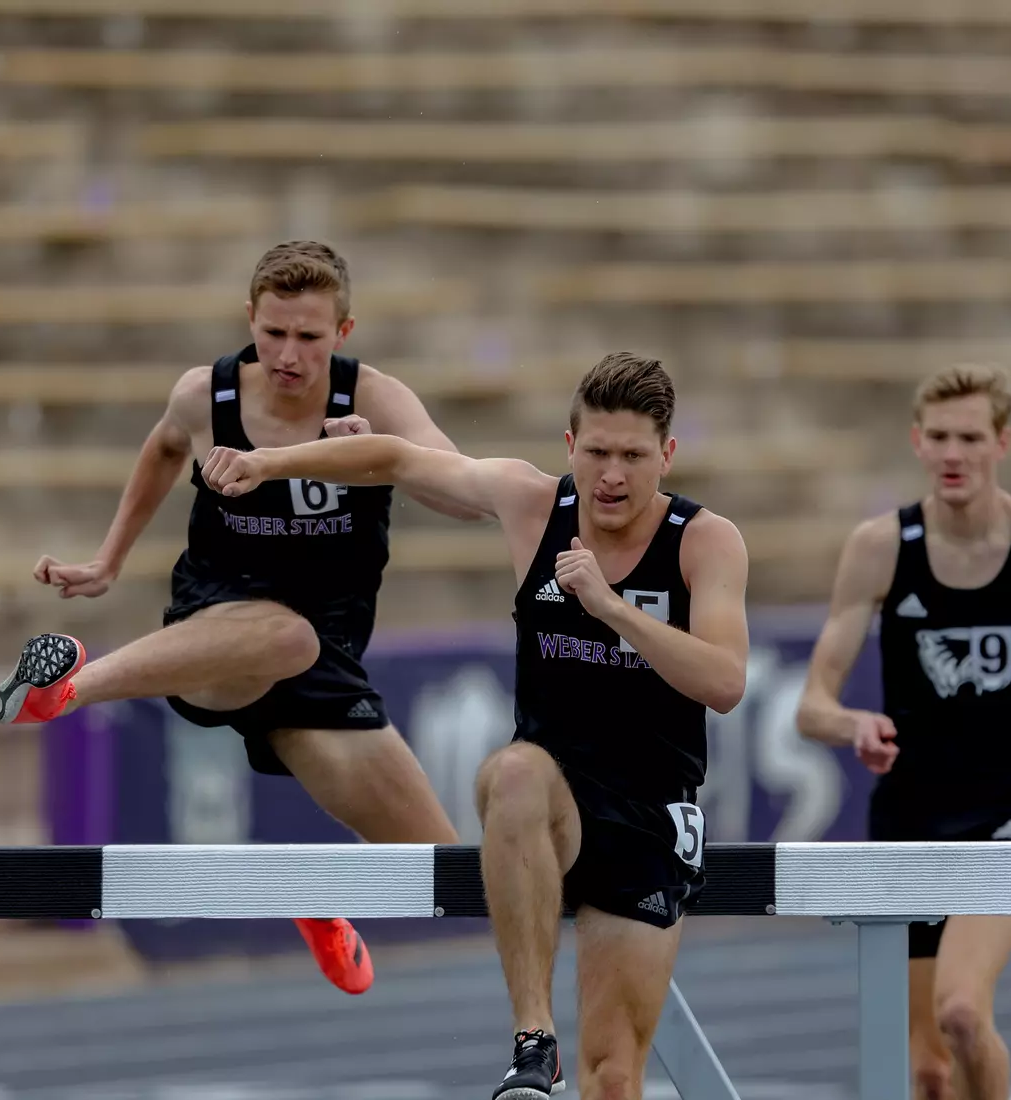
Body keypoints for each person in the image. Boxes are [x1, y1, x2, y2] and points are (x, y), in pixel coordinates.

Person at [200, 352, 750, 1100]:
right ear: (570, 446)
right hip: (552, 797)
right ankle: (533, 1040)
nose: (612, 476)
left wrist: (611, 609)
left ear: (668, 455)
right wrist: (267, 462)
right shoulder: (532, 504)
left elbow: (724, 682)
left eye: (632, 456)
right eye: (596, 453)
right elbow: (399, 458)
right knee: (514, 771)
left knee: (615, 1077)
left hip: (650, 812)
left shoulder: (703, 540)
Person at [0, 240, 476, 996]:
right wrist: (109, 559)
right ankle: (68, 686)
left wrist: (385, 455)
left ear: (343, 332)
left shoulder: (375, 401)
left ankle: (322, 897)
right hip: (221, 630)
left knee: (453, 876)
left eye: (309, 337)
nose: (288, 355)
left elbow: (463, 491)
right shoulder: (204, 396)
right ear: (250, 318)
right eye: (273, 332)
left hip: (325, 664)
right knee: (283, 634)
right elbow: (164, 448)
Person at [794, 364, 1011, 1100]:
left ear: (1001, 443)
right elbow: (811, 706)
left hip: (1001, 815)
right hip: (906, 817)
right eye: (940, 438)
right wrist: (853, 724)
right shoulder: (880, 548)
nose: (953, 454)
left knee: (960, 1011)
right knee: (928, 1071)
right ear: (917, 442)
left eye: (970, 438)